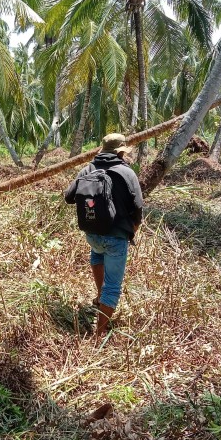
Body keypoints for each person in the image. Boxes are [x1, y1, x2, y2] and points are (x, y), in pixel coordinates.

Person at [64, 133, 144, 341]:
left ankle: (100, 299)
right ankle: (100, 333)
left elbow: (68, 197)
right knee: (113, 286)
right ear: (120, 152)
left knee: (98, 255)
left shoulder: (88, 169)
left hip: (92, 234)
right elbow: (138, 206)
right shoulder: (127, 172)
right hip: (116, 236)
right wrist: (133, 228)